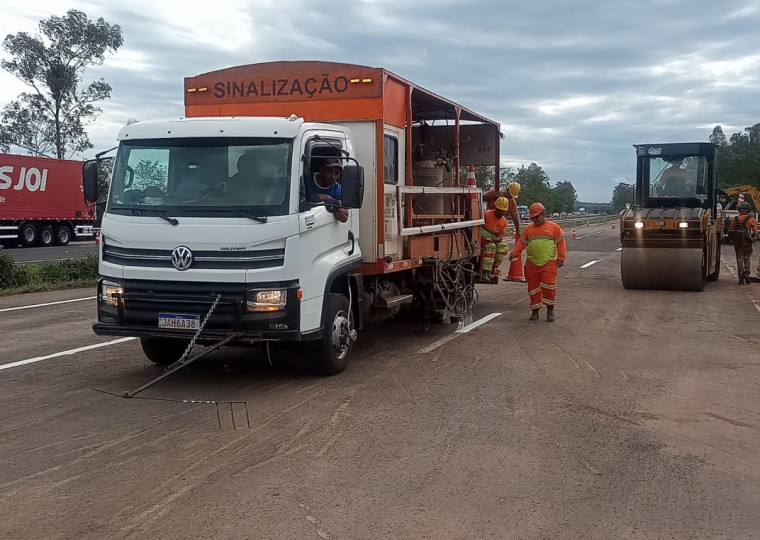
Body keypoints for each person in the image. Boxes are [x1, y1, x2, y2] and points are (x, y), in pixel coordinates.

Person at [508, 202, 566, 322]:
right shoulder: (529, 229)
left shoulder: (554, 228)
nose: (534, 220)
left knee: (549, 286)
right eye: (532, 218)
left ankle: (550, 309)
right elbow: (521, 243)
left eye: (536, 217)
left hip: (549, 263)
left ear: (543, 214)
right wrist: (515, 252)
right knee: (533, 288)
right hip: (532, 264)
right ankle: (535, 311)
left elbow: (561, 243)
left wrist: (561, 258)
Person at [305, 158, 348, 223]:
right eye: (330, 171)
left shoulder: (337, 189)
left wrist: (330, 201)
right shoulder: (306, 179)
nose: (333, 176)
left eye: (336, 173)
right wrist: (315, 198)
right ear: (321, 169)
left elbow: (344, 218)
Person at [480, 197, 510, 280]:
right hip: (482, 239)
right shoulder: (486, 214)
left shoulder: (504, 221)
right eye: (499, 209)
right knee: (491, 246)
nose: (500, 212)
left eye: (502, 210)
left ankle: (493, 268)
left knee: (504, 247)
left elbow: (500, 238)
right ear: (495, 207)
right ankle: (485, 271)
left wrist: (493, 239)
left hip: (491, 240)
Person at [728, 201, 758, 284]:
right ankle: (747, 273)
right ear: (748, 210)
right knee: (747, 258)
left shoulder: (735, 219)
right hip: (747, 242)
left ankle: (740, 277)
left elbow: (730, 230)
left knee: (739, 258)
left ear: (740, 210)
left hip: (737, 243)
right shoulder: (751, 219)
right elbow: (755, 232)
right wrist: (754, 238)